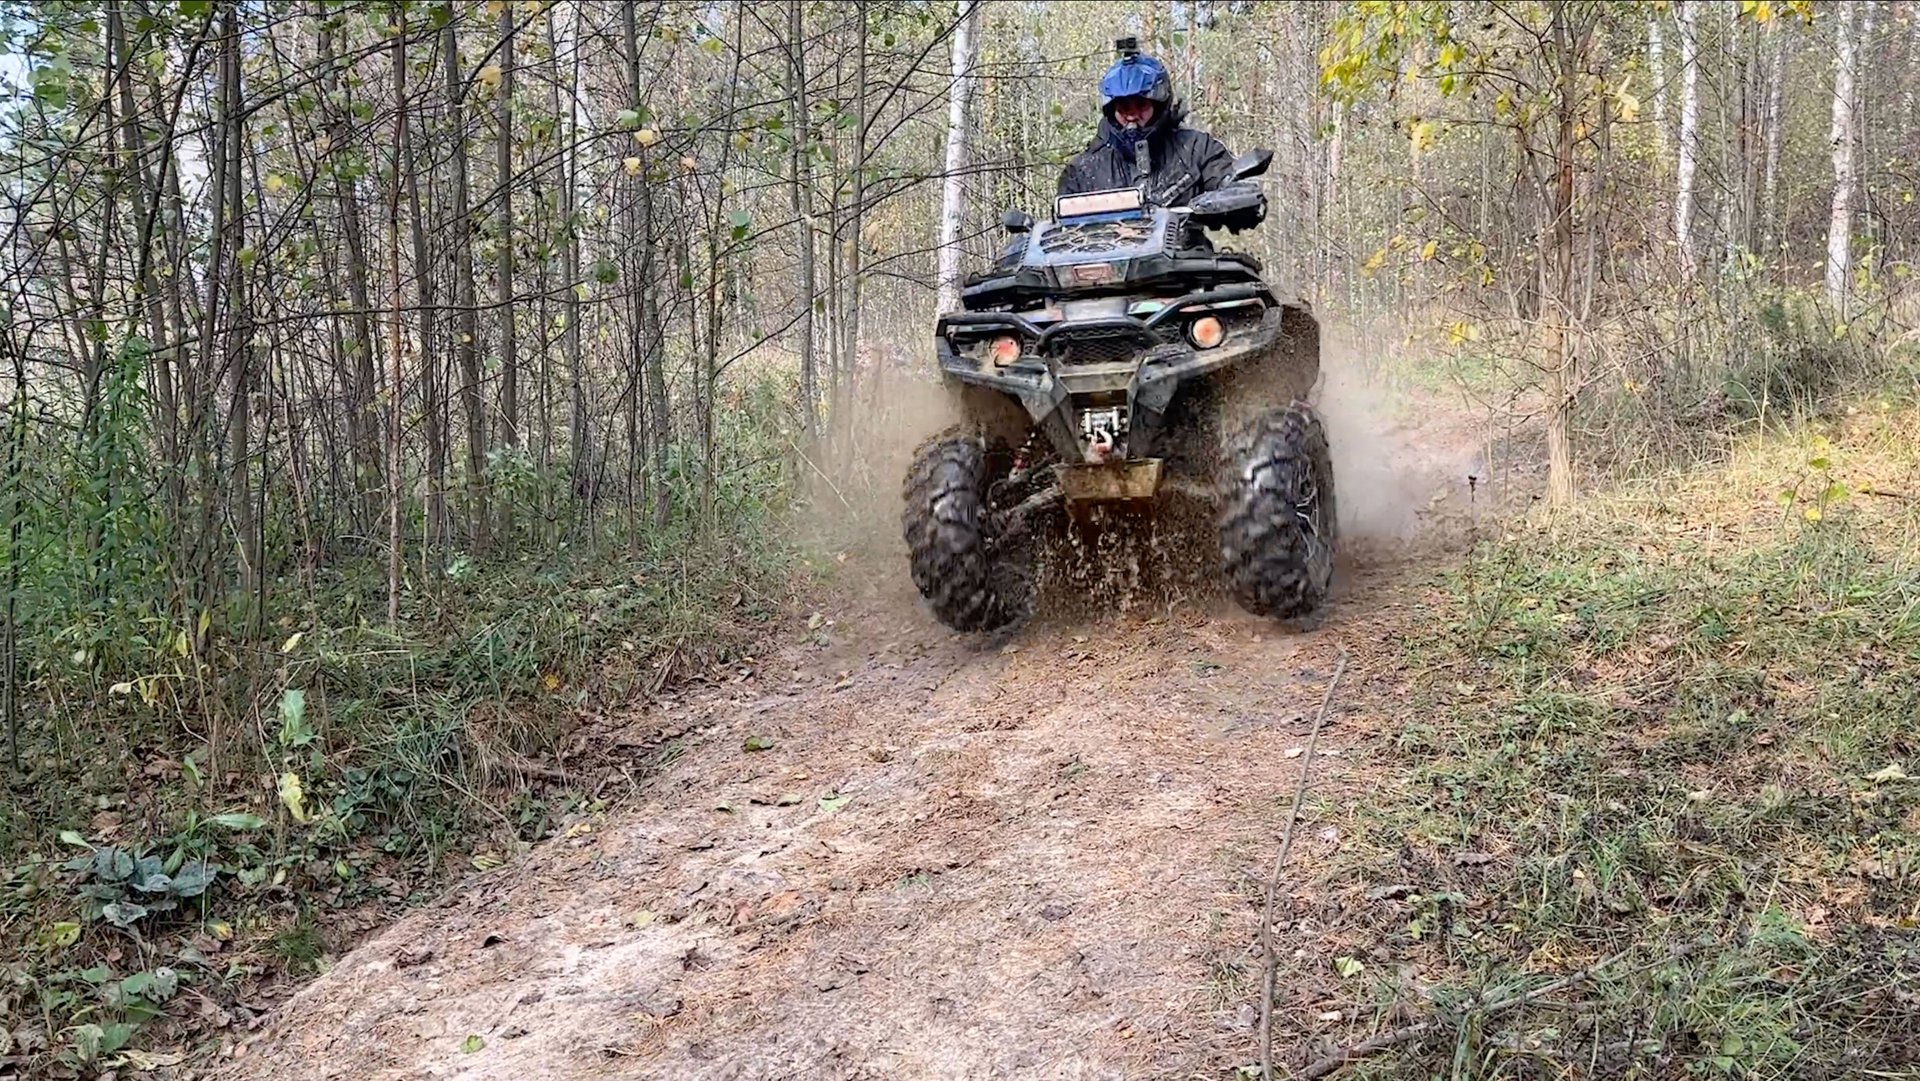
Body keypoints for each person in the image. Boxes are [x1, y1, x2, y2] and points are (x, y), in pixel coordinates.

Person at [1058, 39, 1237, 208]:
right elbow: (1061, 225)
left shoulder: (1196, 149)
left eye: (1141, 105)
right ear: (1111, 110)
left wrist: (1236, 195)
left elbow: (1230, 178)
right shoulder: (1084, 169)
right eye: (1123, 107)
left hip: (1182, 240)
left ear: (1159, 105)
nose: (1132, 115)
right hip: (1108, 240)